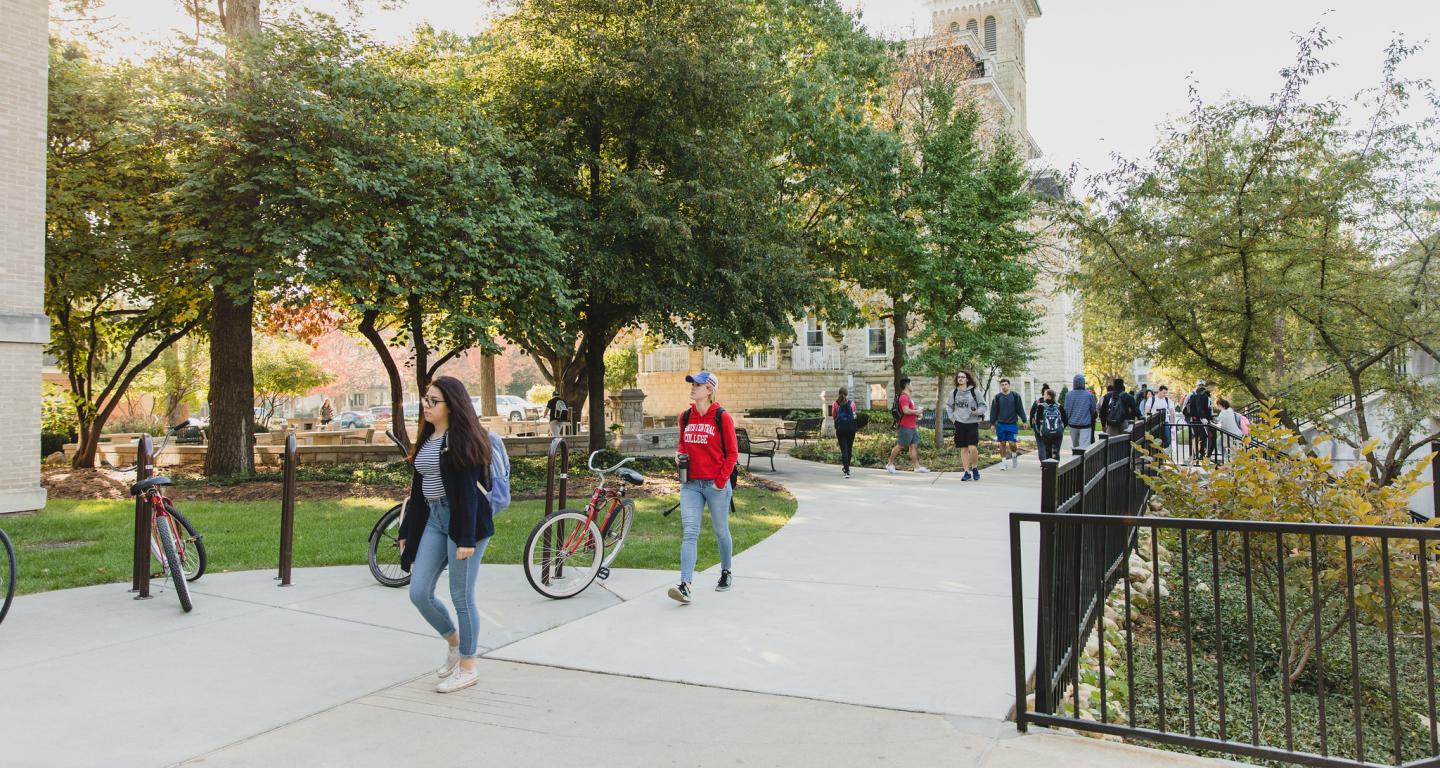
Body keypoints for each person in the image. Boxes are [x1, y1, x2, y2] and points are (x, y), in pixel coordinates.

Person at [397, 376, 496, 694]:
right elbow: (417, 490)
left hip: (465, 523)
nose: (425, 406)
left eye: (433, 401)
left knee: (461, 596)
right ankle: (454, 644)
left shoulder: (461, 439)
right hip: (434, 520)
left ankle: (468, 666)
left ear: (452, 405)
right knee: (419, 592)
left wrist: (466, 539)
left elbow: (468, 495)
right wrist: (406, 531)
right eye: (425, 399)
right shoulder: (428, 438)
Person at [670, 371, 737, 604]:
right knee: (690, 532)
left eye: (697, 384)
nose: (692, 387)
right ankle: (685, 584)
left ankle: (726, 572)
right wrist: (679, 454)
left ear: (709, 389)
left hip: (716, 485)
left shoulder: (722, 417)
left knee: (721, 531)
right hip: (691, 485)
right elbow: (682, 442)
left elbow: (732, 454)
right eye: (692, 384)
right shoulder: (685, 416)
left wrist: (720, 483)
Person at [945, 371, 985, 480]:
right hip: (959, 423)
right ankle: (967, 472)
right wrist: (953, 419)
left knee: (972, 448)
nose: (960, 379)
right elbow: (949, 407)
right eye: (959, 377)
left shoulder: (975, 392)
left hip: (972, 423)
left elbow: (983, 406)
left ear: (967, 379)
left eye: (963, 377)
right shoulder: (953, 393)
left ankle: (975, 468)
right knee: (963, 449)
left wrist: (977, 412)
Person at [886, 377, 929, 474]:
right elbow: (905, 411)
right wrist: (917, 411)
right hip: (905, 426)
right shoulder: (904, 397)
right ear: (907, 385)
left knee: (913, 446)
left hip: (912, 426)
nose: (912, 386)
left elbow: (910, 411)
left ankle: (917, 467)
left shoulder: (909, 398)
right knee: (900, 446)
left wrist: (917, 414)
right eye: (911, 384)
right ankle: (889, 464)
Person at [989, 378, 1025, 471]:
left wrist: (1024, 421)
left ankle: (1014, 454)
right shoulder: (997, 397)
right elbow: (993, 411)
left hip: (1012, 424)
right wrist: (992, 423)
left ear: (1009, 385)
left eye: (1005, 384)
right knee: (1002, 443)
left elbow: (1020, 409)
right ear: (1001, 386)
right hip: (1001, 424)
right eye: (1002, 385)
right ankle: (1003, 463)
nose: (1004, 386)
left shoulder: (1015, 396)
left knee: (1012, 443)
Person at [1182, 380, 1215, 464]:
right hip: (1194, 419)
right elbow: (1187, 408)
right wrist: (1202, 417)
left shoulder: (1203, 394)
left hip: (1199, 419)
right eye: (1199, 385)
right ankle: (1196, 455)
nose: (1200, 386)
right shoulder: (1194, 394)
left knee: (1202, 436)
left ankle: (1200, 454)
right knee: (1196, 436)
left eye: (1202, 385)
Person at [1063, 374, 1098, 450]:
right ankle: (1084, 461)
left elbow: (1066, 410)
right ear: (1083, 383)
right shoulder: (1089, 395)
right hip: (1085, 425)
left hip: (1073, 425)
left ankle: (1077, 461)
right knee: (1085, 448)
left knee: (1076, 447)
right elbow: (1093, 410)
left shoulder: (1068, 395)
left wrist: (1068, 420)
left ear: (1074, 383)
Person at [831, 387, 859, 479]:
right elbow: (855, 416)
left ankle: (846, 470)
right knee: (849, 449)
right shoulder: (852, 404)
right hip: (851, 430)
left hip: (841, 430)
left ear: (839, 393)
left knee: (844, 450)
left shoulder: (835, 404)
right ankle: (847, 467)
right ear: (846, 394)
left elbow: (834, 416)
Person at [1030, 388, 1065, 462]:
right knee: (1056, 452)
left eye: (1045, 394)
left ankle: (1048, 469)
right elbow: (1065, 419)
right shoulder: (1059, 406)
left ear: (1049, 396)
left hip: (1046, 433)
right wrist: (1061, 428)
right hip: (1058, 433)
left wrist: (1040, 430)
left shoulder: (1041, 406)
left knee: (1048, 451)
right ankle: (1056, 469)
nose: (1043, 396)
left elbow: (1037, 420)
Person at [1143, 385, 1175, 450]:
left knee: (1167, 439)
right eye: (1164, 393)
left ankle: (1165, 455)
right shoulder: (1151, 399)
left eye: (1166, 393)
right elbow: (1146, 412)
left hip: (1165, 422)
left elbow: (1172, 412)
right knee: (1154, 441)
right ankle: (1156, 456)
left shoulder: (1167, 400)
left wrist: (1172, 424)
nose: (1165, 394)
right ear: (1159, 391)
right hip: (1154, 423)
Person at [1214, 397, 1242, 461]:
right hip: (1233, 433)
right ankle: (1228, 458)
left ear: (1220, 404)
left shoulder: (1224, 412)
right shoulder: (1229, 410)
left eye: (1217, 405)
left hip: (1231, 434)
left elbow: (1220, 423)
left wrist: (1214, 423)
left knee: (1232, 449)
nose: (1217, 407)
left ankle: (1229, 459)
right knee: (1219, 443)